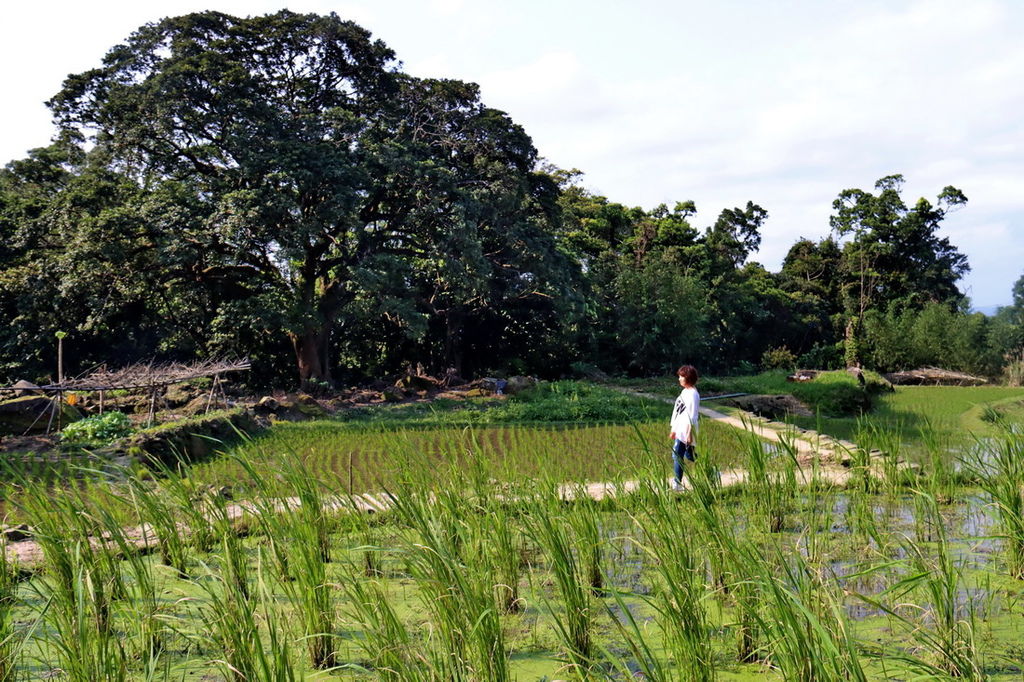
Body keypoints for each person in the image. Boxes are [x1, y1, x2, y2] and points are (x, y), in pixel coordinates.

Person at [669, 365, 700, 490]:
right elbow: (678, 411)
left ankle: (677, 483)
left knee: (678, 454)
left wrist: (688, 433)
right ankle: (711, 470)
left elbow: (692, 416)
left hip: (686, 430)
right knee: (688, 456)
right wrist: (674, 429)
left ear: (688, 377)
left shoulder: (693, 394)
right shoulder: (685, 392)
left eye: (681, 376)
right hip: (680, 429)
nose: (679, 379)